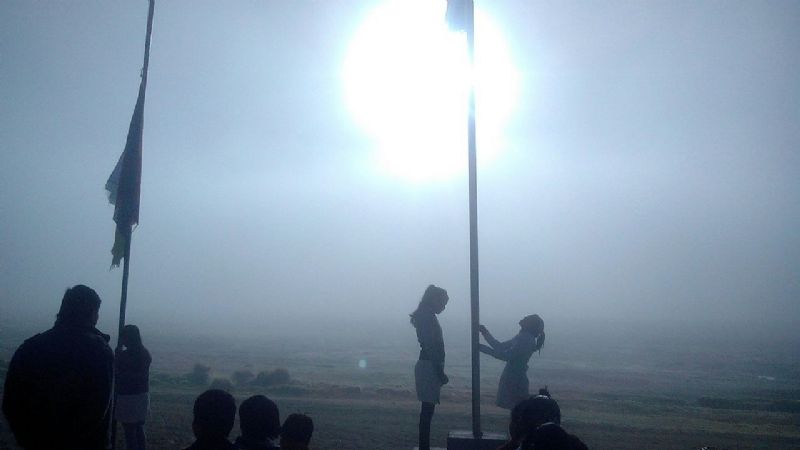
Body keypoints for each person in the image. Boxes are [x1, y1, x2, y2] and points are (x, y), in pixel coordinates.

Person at [2, 285, 114, 450]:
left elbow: (11, 403)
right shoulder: (98, 350)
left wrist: (28, 438)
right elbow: (97, 409)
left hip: (37, 442)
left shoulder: (30, 347)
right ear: (92, 313)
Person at [410, 284, 449, 450]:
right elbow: (431, 347)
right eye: (443, 303)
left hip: (429, 366)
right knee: (427, 411)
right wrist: (440, 372)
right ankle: (423, 446)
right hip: (429, 367)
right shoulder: (427, 317)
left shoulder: (427, 316)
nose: (444, 307)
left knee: (427, 410)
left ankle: (424, 446)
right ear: (435, 300)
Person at [479, 314, 545, 409]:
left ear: (530, 324)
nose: (524, 317)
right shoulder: (524, 336)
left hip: (515, 377)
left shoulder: (526, 339)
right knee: (517, 406)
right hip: (514, 375)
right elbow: (500, 347)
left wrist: (483, 348)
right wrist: (485, 333)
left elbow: (505, 356)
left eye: (528, 318)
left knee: (517, 406)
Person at [115, 324, 152, 450]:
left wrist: (117, 355)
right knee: (138, 428)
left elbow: (119, 373)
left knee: (129, 431)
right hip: (142, 395)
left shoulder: (125, 356)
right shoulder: (145, 353)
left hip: (128, 397)